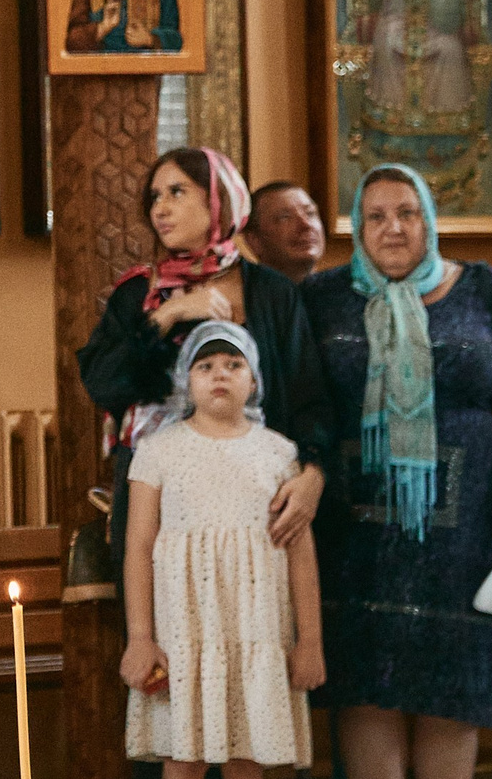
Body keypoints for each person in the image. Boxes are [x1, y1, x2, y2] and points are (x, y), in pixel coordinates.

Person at [303, 164, 492, 779]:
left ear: (429, 219)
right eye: (375, 215)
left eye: (406, 213)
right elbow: (294, 403)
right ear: (358, 227)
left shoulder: (489, 293)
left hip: (462, 543)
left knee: (452, 694)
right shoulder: (322, 297)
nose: (392, 227)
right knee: (367, 693)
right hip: (352, 541)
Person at [118, 323, 324, 779]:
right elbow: (138, 548)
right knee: (182, 755)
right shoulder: (159, 451)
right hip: (183, 631)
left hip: (254, 629)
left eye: (233, 365)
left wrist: (310, 641)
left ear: (254, 381)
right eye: (205, 366)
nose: (219, 376)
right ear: (185, 380)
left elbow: (301, 555)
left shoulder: (279, 454)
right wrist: (141, 637)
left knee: (246, 751)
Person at [79, 149, 331, 565]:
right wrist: (168, 315)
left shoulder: (271, 293)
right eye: (155, 197)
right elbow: (103, 381)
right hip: (157, 500)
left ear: (220, 199)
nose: (161, 208)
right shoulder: (138, 293)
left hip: (257, 495)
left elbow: (308, 395)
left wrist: (314, 474)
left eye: (176, 192)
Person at [245, 180, 326, 286]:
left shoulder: (343, 294)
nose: (306, 225)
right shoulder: (241, 299)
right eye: (285, 217)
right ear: (254, 240)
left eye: (310, 213)